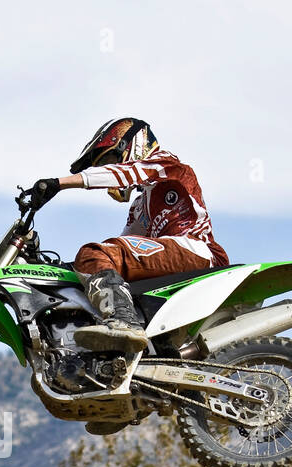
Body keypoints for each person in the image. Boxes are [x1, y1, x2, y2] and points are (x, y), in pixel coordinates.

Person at [30, 117, 229, 372]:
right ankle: (174, 384)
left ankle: (124, 321)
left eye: (109, 160)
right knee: (98, 257)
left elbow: (125, 173)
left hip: (197, 251)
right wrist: (61, 268)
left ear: (130, 144)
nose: (108, 168)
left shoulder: (167, 164)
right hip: (173, 263)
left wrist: (59, 183)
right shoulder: (139, 207)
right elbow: (119, 253)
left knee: (93, 252)